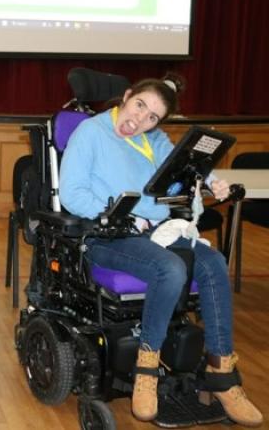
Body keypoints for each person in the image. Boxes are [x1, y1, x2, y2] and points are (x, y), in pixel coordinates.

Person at [59, 74, 263, 426]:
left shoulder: (154, 139)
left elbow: (188, 168)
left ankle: (222, 374)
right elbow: (72, 194)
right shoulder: (91, 133)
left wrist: (211, 182)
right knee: (171, 268)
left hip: (155, 233)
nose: (139, 120)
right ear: (126, 97)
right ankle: (146, 370)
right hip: (109, 235)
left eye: (152, 116)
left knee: (213, 262)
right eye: (139, 106)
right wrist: (118, 216)